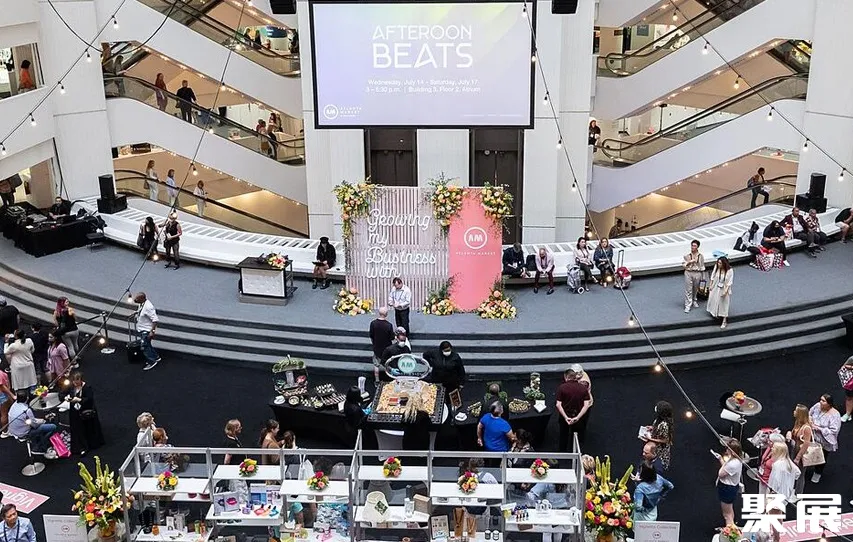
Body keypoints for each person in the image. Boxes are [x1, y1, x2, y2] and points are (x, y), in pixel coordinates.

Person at [8, 391, 57, 456]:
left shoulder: (13, 405)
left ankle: (38, 438)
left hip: (13, 431)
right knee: (53, 427)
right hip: (24, 433)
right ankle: (39, 447)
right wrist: (43, 421)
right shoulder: (26, 410)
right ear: (27, 398)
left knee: (42, 424)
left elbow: (26, 420)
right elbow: (35, 425)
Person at [67, 371, 104, 455]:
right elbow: (63, 393)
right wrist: (67, 398)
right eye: (74, 381)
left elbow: (89, 399)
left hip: (85, 412)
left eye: (77, 381)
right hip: (75, 412)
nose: (75, 383)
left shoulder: (87, 388)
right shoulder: (72, 387)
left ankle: (89, 445)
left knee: (87, 429)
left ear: (81, 380)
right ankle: (80, 447)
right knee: (78, 430)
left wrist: (79, 400)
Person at [556, 365, 592, 451]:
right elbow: (586, 405)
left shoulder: (562, 388)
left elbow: (558, 404)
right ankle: (574, 450)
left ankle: (562, 451)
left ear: (566, 377)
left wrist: (566, 417)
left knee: (563, 433)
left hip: (565, 414)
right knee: (576, 434)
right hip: (578, 414)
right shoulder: (583, 388)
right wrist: (578, 417)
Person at [807, 393, 841, 483]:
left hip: (825, 440)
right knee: (808, 451)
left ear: (829, 404)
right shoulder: (817, 406)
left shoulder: (835, 415)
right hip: (813, 435)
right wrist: (810, 420)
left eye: (823, 401)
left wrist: (819, 428)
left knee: (822, 456)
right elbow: (810, 413)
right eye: (820, 400)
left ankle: (817, 472)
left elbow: (834, 430)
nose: (820, 402)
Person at [714, 437, 743, 526]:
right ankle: (731, 527)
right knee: (729, 510)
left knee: (727, 514)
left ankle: (729, 530)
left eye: (728, 449)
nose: (726, 450)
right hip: (730, 488)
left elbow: (721, 473)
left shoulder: (733, 464)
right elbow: (727, 470)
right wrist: (720, 459)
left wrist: (722, 464)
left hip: (727, 489)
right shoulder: (735, 460)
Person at [787, 404, 813, 496]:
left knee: (800, 474)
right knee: (792, 471)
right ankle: (791, 489)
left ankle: (798, 494)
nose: (794, 412)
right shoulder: (797, 422)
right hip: (794, 449)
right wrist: (789, 433)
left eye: (796, 411)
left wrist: (798, 457)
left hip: (801, 453)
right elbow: (794, 433)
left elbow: (806, 444)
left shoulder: (806, 428)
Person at [642, 400, 674, 470]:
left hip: (660, 453)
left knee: (655, 469)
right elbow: (658, 428)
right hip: (653, 449)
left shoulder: (665, 424)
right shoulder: (658, 420)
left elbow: (666, 440)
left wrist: (650, 439)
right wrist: (652, 428)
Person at [133, 292, 160, 371]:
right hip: (142, 328)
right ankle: (156, 357)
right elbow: (142, 311)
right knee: (147, 344)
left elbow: (155, 320)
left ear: (142, 298)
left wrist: (152, 331)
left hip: (146, 330)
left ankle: (151, 361)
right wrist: (136, 312)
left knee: (144, 346)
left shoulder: (148, 307)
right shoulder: (141, 304)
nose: (135, 299)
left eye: (137, 298)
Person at [369, 307, 395, 382]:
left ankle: (377, 380)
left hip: (377, 347)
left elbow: (371, 335)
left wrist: (374, 344)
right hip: (387, 349)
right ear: (386, 314)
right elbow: (392, 337)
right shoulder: (389, 325)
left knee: (376, 365)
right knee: (388, 364)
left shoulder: (373, 323)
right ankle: (390, 380)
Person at [706, 256, 733, 328]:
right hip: (716, 286)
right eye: (718, 262)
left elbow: (729, 282)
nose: (718, 264)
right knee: (714, 300)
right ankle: (716, 313)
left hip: (724, 288)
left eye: (720, 263)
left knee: (724, 303)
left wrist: (725, 291)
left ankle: (724, 320)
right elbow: (712, 276)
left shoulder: (730, 270)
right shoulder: (717, 267)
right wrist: (710, 285)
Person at [682, 240, 705, 313]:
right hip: (689, 272)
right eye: (692, 245)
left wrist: (702, 276)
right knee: (688, 289)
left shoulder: (700, 256)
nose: (693, 247)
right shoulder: (687, 255)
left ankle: (694, 300)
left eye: (694, 246)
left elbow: (702, 266)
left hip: (697, 273)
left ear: (697, 247)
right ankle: (688, 305)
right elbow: (683, 265)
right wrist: (690, 262)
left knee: (695, 288)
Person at [0, 369, 12, 438]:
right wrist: (12, 395)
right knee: (4, 414)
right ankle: (5, 432)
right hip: (2, 396)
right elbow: (2, 387)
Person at [841, 356, 853, 422]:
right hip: (851, 382)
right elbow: (844, 367)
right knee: (849, 397)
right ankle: (848, 414)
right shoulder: (852, 358)